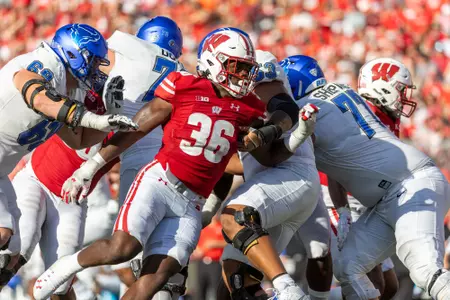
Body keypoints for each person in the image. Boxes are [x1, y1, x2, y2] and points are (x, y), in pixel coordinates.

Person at [33, 29, 302, 300]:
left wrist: (297, 133)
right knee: (123, 249)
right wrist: (89, 169)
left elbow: (269, 157)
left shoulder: (249, 107)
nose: (243, 76)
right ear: (213, 61)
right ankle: (65, 266)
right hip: (160, 182)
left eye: (246, 69)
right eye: (236, 66)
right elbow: (136, 128)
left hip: (191, 205)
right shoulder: (183, 85)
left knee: (155, 278)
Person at [8, 16, 185, 300]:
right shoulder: (98, 81)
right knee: (17, 250)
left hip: (72, 197)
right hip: (39, 177)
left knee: (60, 283)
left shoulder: (147, 110)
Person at [263, 55, 450, 300]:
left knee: (426, 271)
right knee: (348, 268)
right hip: (391, 196)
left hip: (409, 187)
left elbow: (276, 154)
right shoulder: (342, 90)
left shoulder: (308, 109)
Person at [0, 22, 136, 284]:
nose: (98, 70)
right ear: (74, 54)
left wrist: (108, 119)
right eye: (94, 62)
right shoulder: (46, 63)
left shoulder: (69, 88)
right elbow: (35, 94)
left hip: (2, 170)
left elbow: (78, 140)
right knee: (3, 232)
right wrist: (94, 120)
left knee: (11, 256)